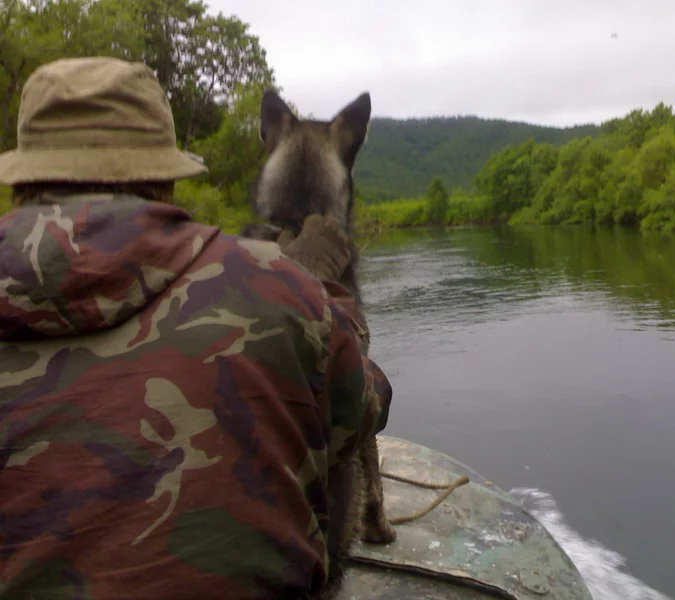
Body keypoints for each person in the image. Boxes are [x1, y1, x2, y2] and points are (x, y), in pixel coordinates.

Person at [0, 56, 392, 599]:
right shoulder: (276, 285)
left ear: (21, 180)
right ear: (165, 181)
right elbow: (365, 409)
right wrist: (318, 290)